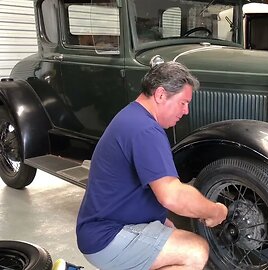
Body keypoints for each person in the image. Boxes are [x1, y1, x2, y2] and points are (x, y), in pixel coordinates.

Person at [76, 61, 228, 270]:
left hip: (103, 227)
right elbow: (172, 195)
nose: (186, 111)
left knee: (173, 234)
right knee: (195, 250)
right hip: (107, 236)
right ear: (161, 95)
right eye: (183, 102)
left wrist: (161, 222)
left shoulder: (132, 117)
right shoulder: (145, 130)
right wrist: (215, 211)